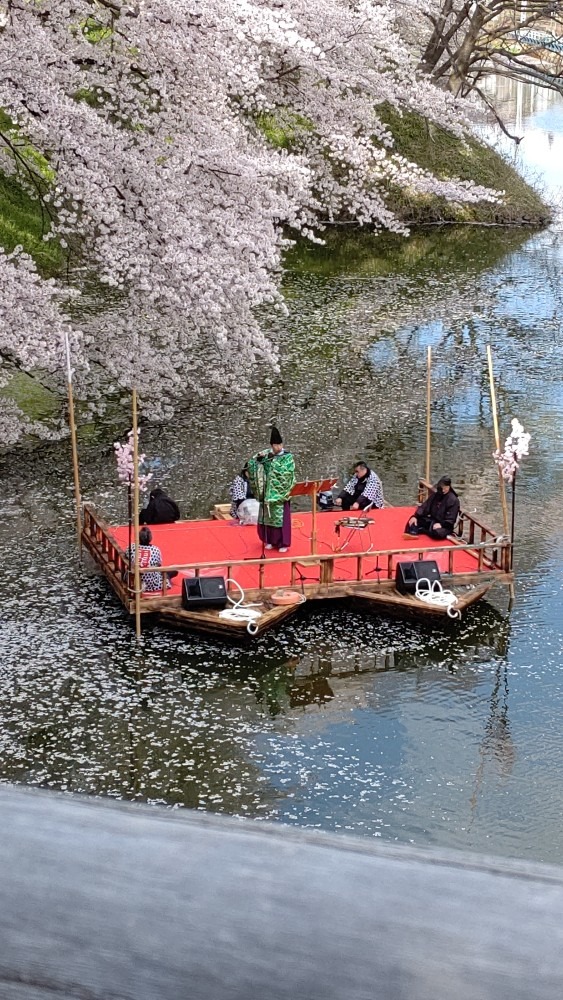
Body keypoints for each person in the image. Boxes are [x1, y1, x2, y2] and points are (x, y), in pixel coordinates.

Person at [247, 426, 296, 552]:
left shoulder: (288, 457)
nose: (278, 447)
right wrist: (259, 460)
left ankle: (282, 543)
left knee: (279, 518)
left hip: (280, 493)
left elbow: (286, 473)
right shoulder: (266, 454)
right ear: (271, 445)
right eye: (275, 445)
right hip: (267, 490)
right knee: (267, 517)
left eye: (279, 444)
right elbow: (252, 463)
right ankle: (269, 540)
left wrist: (273, 463)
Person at [126, 527, 177, 592]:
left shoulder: (132, 547)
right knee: (171, 572)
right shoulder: (155, 549)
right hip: (152, 582)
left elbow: (127, 555)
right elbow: (159, 565)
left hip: (135, 580)